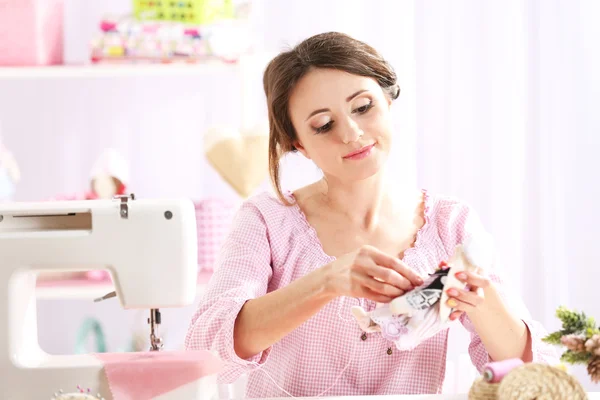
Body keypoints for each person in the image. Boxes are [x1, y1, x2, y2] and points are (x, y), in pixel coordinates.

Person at [185, 32, 558, 397]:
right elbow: (209, 347)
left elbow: (533, 377)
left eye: (363, 107)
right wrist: (327, 282)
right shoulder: (266, 220)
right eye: (323, 125)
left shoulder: (450, 222)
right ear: (299, 143)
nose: (351, 133)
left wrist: (480, 300)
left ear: (388, 102)